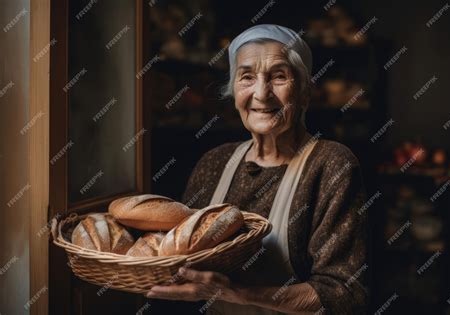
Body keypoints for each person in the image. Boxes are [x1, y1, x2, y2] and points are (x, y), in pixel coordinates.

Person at [145, 24, 368, 315]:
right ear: (234, 90)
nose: (262, 94)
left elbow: (344, 294)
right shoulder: (214, 162)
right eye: (247, 76)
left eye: (279, 76)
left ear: (304, 92)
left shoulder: (332, 165)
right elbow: (181, 261)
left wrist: (238, 294)